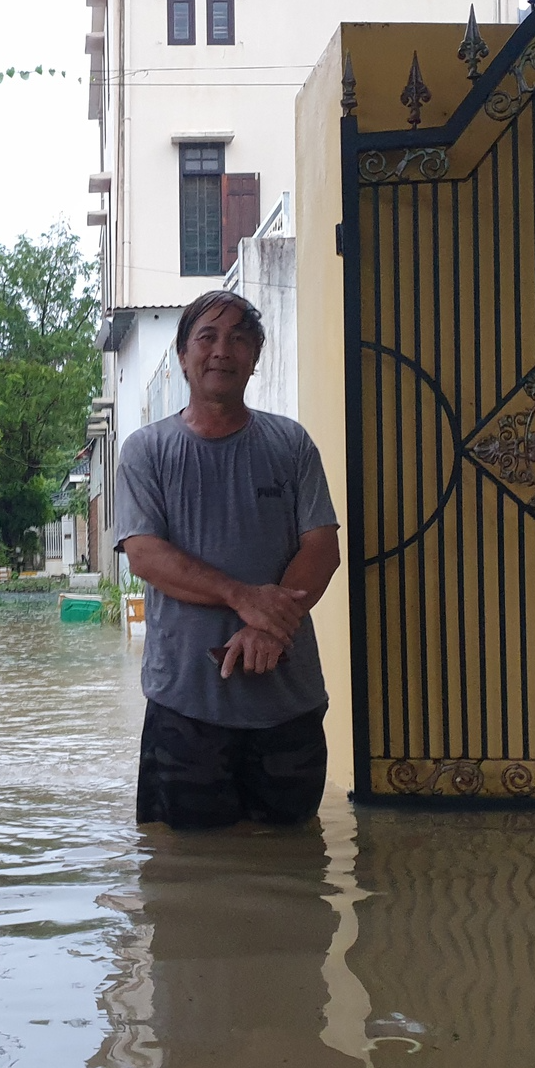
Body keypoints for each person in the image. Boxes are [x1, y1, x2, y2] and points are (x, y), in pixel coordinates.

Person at [114, 289, 341, 830]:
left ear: (256, 355)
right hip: (185, 706)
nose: (223, 350)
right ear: (183, 354)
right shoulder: (146, 451)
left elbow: (323, 549)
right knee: (184, 882)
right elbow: (145, 555)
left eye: (239, 337)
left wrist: (268, 630)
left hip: (289, 702)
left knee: (295, 872)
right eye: (208, 337)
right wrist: (245, 598)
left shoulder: (292, 445)